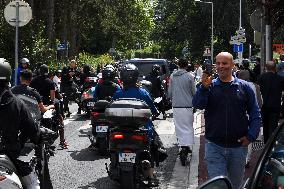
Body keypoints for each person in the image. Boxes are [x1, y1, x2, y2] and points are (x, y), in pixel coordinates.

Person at [192, 52, 262, 189]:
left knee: (235, 185)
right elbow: (198, 105)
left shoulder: (244, 87)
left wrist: (251, 136)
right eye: (217, 63)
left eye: (224, 63)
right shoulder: (209, 86)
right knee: (219, 186)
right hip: (214, 146)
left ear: (232, 65)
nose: (220, 66)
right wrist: (203, 88)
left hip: (238, 147)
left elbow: (255, 113)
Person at [113, 64, 167, 187]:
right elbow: (154, 110)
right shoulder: (142, 93)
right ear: (136, 77)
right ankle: (151, 175)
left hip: (120, 129)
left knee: (112, 145)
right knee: (154, 147)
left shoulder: (117, 93)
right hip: (142, 129)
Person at [0, 58, 41, 189]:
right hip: (10, 154)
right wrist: (38, 137)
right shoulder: (16, 103)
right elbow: (32, 130)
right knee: (34, 184)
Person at [30, 64, 68, 149]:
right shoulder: (50, 82)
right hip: (46, 104)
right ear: (47, 72)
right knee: (60, 118)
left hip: (34, 105)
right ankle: (62, 141)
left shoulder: (33, 81)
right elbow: (53, 98)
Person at [168, 58, 196, 164]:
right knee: (188, 126)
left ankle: (182, 146)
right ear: (186, 65)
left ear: (178, 65)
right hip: (188, 105)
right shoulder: (190, 76)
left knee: (179, 127)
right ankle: (186, 146)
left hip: (176, 106)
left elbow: (169, 92)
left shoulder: (172, 76)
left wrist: (171, 98)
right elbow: (194, 92)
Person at [258, 61, 284, 143]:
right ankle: (271, 145)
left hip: (264, 105)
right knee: (273, 126)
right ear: (275, 68)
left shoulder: (261, 77)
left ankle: (266, 144)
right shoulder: (280, 79)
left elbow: (258, 91)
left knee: (265, 126)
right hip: (275, 105)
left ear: (266, 68)